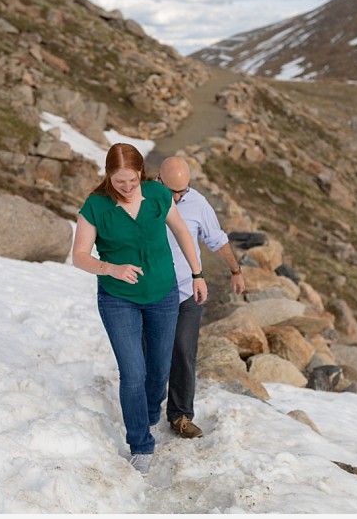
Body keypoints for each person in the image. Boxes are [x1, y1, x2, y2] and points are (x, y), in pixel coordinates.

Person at [71, 143, 207, 476]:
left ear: (141, 173)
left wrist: (197, 273)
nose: (127, 187)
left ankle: (146, 414)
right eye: (120, 182)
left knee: (159, 369)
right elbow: (79, 256)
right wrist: (110, 268)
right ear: (108, 176)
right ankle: (140, 444)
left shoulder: (159, 195)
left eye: (132, 180)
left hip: (163, 294)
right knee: (133, 373)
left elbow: (183, 234)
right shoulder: (95, 207)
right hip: (118, 298)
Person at [158, 156, 246, 439]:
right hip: (152, 293)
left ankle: (180, 416)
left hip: (187, 291)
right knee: (153, 354)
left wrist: (235, 270)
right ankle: (144, 412)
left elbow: (216, 239)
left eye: (181, 191)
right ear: (158, 179)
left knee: (183, 352)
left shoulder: (197, 204)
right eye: (171, 190)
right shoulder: (144, 198)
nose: (176, 197)